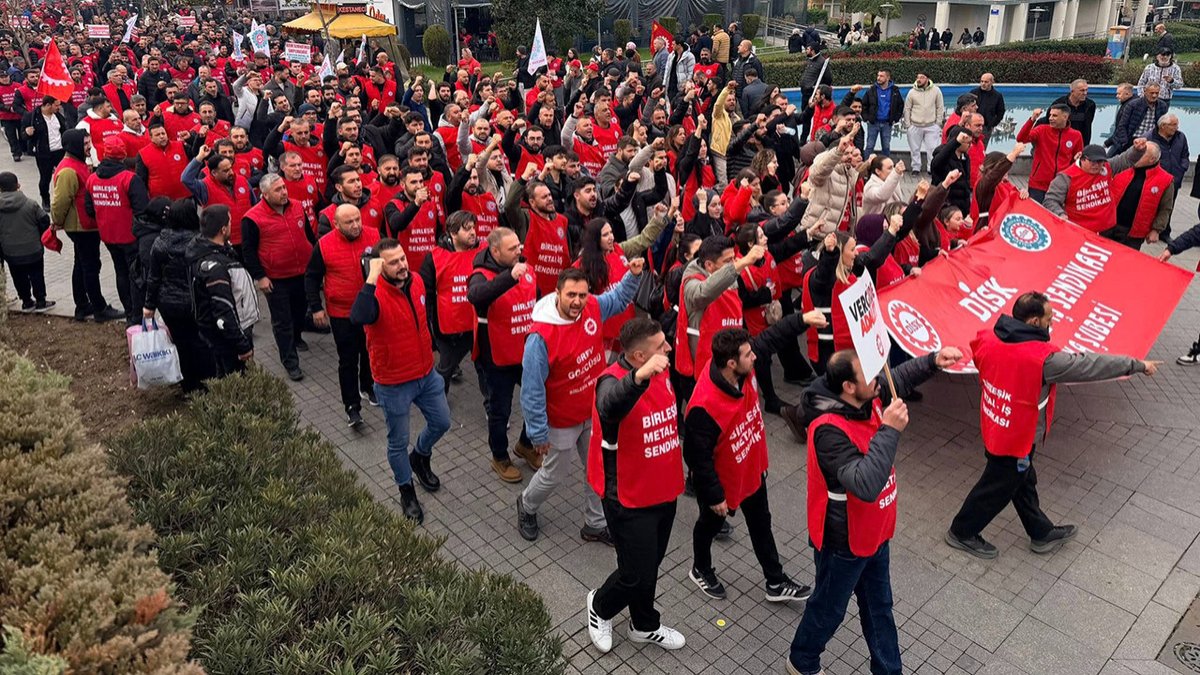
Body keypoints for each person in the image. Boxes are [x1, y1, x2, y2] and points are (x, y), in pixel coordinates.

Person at [786, 346, 963, 675]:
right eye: (868, 374)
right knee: (829, 609)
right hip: (845, 541)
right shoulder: (827, 430)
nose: (878, 379)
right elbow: (865, 485)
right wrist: (890, 429)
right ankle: (802, 661)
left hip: (874, 532)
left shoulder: (866, 395)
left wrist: (932, 361)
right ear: (849, 388)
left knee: (879, 607)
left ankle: (888, 670)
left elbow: (896, 378)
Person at [946, 292, 1159, 558]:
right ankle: (962, 531)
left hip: (996, 423)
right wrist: (1137, 365)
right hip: (1017, 437)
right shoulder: (1043, 359)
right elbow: (1091, 365)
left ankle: (1040, 532)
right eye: (1050, 318)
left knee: (1022, 480)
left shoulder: (987, 337)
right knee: (997, 487)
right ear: (1034, 321)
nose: (1053, 322)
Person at [516, 265, 642, 544]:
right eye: (571, 295)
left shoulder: (593, 307)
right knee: (554, 473)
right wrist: (537, 432)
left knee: (597, 468)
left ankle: (595, 524)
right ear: (557, 293)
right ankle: (527, 505)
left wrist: (633, 275)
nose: (578, 302)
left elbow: (619, 298)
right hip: (562, 420)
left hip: (593, 411)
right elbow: (532, 389)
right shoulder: (540, 337)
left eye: (582, 295)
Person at [684, 328, 812, 603]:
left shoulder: (743, 371)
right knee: (708, 525)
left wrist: (802, 320)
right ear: (731, 364)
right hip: (723, 484)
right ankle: (701, 569)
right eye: (748, 354)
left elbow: (772, 338)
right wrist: (716, 495)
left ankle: (775, 582)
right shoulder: (704, 406)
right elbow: (697, 457)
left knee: (761, 524)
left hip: (751, 471)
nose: (755, 357)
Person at [585, 318, 687, 654]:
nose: (668, 348)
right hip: (627, 497)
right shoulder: (611, 382)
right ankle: (600, 607)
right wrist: (639, 379)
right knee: (633, 573)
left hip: (662, 489)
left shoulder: (663, 370)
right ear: (640, 357)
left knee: (650, 564)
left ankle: (644, 624)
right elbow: (609, 406)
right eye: (661, 346)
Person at [350, 238, 451, 525]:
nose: (402, 265)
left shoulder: (417, 280)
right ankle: (406, 490)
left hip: (425, 374)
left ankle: (419, 456)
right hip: (393, 382)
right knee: (397, 442)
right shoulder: (374, 294)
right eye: (393, 262)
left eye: (403, 258)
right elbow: (358, 317)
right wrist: (371, 278)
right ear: (380, 266)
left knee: (442, 422)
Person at [468, 227, 542, 481]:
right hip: (496, 358)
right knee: (501, 411)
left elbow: (537, 302)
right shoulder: (481, 274)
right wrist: (509, 277)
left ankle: (526, 444)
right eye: (513, 249)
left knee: (537, 399)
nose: (519, 251)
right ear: (495, 250)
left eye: (519, 246)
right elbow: (475, 296)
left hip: (527, 353)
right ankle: (499, 457)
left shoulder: (526, 268)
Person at [306, 203, 380, 427]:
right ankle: (352, 407)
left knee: (370, 353)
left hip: (370, 310)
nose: (356, 225)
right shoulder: (324, 245)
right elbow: (311, 277)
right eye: (349, 222)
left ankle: (368, 387)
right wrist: (316, 308)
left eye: (358, 219)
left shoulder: (375, 235)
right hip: (342, 313)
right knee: (348, 360)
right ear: (336, 224)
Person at [242, 172, 316, 382]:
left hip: (302, 273)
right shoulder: (252, 218)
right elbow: (248, 251)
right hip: (276, 278)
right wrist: (260, 277)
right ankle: (290, 361)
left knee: (300, 311)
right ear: (264, 194)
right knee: (282, 321)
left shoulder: (298, 206)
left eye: (284, 187)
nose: (284, 192)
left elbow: (309, 236)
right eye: (278, 190)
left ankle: (297, 336)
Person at [420, 210, 487, 398]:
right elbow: (427, 296)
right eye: (467, 229)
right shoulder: (433, 257)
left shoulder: (483, 252)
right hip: (450, 329)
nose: (473, 232)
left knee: (484, 368)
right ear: (452, 233)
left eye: (474, 227)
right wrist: (430, 332)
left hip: (477, 323)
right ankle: (439, 402)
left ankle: (492, 409)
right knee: (446, 369)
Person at [85, 136, 150, 326]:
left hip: (108, 235)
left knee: (120, 272)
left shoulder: (92, 179)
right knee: (136, 275)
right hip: (130, 235)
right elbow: (142, 209)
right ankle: (137, 314)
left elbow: (89, 210)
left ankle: (129, 311)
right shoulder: (129, 179)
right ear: (123, 155)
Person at [187, 204, 256, 378]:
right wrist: (242, 345)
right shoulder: (215, 267)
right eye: (231, 221)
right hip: (229, 337)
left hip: (220, 335)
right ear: (223, 229)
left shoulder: (205, 250)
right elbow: (223, 309)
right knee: (236, 380)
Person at [1043, 139, 1146, 232]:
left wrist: (1137, 150)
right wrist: (1060, 214)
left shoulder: (1107, 167)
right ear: (1082, 159)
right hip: (1079, 230)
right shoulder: (1065, 178)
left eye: (1100, 161)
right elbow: (1050, 200)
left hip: (1107, 228)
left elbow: (1126, 160)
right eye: (1093, 162)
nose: (1097, 165)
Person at [0, 171, 53, 312]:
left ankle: (27, 301)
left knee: (18, 276)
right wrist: (39, 236)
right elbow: (45, 221)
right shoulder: (31, 204)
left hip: (10, 252)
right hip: (33, 248)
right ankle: (41, 300)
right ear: (18, 185)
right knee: (36, 273)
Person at [1107, 141, 1174, 249]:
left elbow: (1165, 208)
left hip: (1133, 233)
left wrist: (1156, 230)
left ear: (1152, 159)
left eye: (1141, 154)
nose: (1135, 156)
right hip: (1108, 225)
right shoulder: (1122, 167)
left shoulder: (1165, 180)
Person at [1017, 104, 1083, 202]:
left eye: (1054, 116)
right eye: (1050, 115)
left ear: (1065, 117)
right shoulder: (1041, 130)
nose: (1050, 118)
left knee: (1055, 214)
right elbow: (1021, 138)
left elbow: (1077, 161)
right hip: (1038, 184)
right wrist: (1032, 119)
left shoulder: (1076, 135)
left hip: (1061, 185)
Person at [23, 96, 68, 209]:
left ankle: (63, 199)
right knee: (45, 178)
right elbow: (23, 136)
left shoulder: (58, 116)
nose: (59, 107)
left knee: (63, 176)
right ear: (48, 105)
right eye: (56, 105)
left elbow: (64, 130)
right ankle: (45, 200)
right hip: (44, 153)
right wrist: (27, 133)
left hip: (59, 151)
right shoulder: (32, 116)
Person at [903, 73, 944, 176]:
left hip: (931, 125)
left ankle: (931, 168)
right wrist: (908, 125)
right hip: (915, 125)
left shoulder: (936, 91)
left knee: (932, 149)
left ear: (927, 79)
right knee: (915, 149)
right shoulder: (912, 92)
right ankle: (916, 168)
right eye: (917, 77)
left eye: (922, 77)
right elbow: (907, 108)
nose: (919, 80)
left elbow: (940, 107)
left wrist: (938, 123)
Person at [1111, 83, 1168, 157]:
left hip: (1151, 141)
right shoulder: (1133, 105)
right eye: (1152, 93)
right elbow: (1122, 126)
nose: (1154, 95)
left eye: (1156, 93)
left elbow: (1162, 126)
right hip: (1133, 140)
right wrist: (1125, 143)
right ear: (1145, 91)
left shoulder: (1162, 106)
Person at [857, 70, 903, 157]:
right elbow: (864, 104)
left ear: (888, 77)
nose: (878, 78)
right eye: (878, 75)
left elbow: (900, 105)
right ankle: (865, 167)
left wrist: (896, 118)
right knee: (870, 146)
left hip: (887, 124)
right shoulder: (871, 90)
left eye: (881, 76)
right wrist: (866, 118)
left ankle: (886, 166)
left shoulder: (895, 91)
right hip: (873, 123)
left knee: (886, 147)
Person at [1046, 79, 1097, 145]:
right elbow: (1049, 122)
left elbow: (1088, 125)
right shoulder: (1058, 104)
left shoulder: (1090, 105)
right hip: (1061, 143)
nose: (1085, 93)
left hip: (1081, 143)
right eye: (1082, 90)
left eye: (1086, 90)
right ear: (1072, 91)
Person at [969, 73, 1005, 142]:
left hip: (986, 127)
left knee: (982, 147)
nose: (983, 84)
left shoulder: (997, 96)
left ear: (992, 82)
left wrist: (993, 124)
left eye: (986, 82)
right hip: (972, 125)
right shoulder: (973, 93)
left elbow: (1001, 111)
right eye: (981, 81)